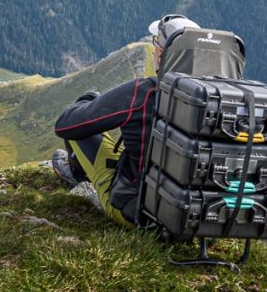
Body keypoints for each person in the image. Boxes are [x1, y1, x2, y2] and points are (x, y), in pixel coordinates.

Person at [51, 14, 200, 228]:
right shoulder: (221, 102)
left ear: (160, 55)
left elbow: (65, 125)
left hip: (140, 215)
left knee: (82, 120)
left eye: (156, 43)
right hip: (199, 220)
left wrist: (86, 101)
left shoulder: (144, 92)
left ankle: (77, 173)